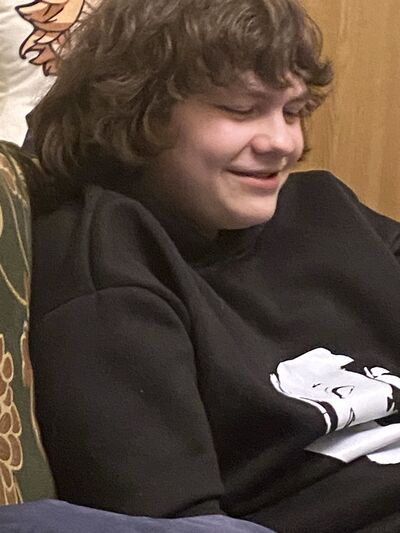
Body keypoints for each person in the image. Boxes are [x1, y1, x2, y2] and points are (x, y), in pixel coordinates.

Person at [24, 0, 400, 531]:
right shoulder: (106, 261)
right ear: (138, 111)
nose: (282, 143)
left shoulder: (325, 208)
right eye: (241, 110)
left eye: (293, 111)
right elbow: (173, 517)